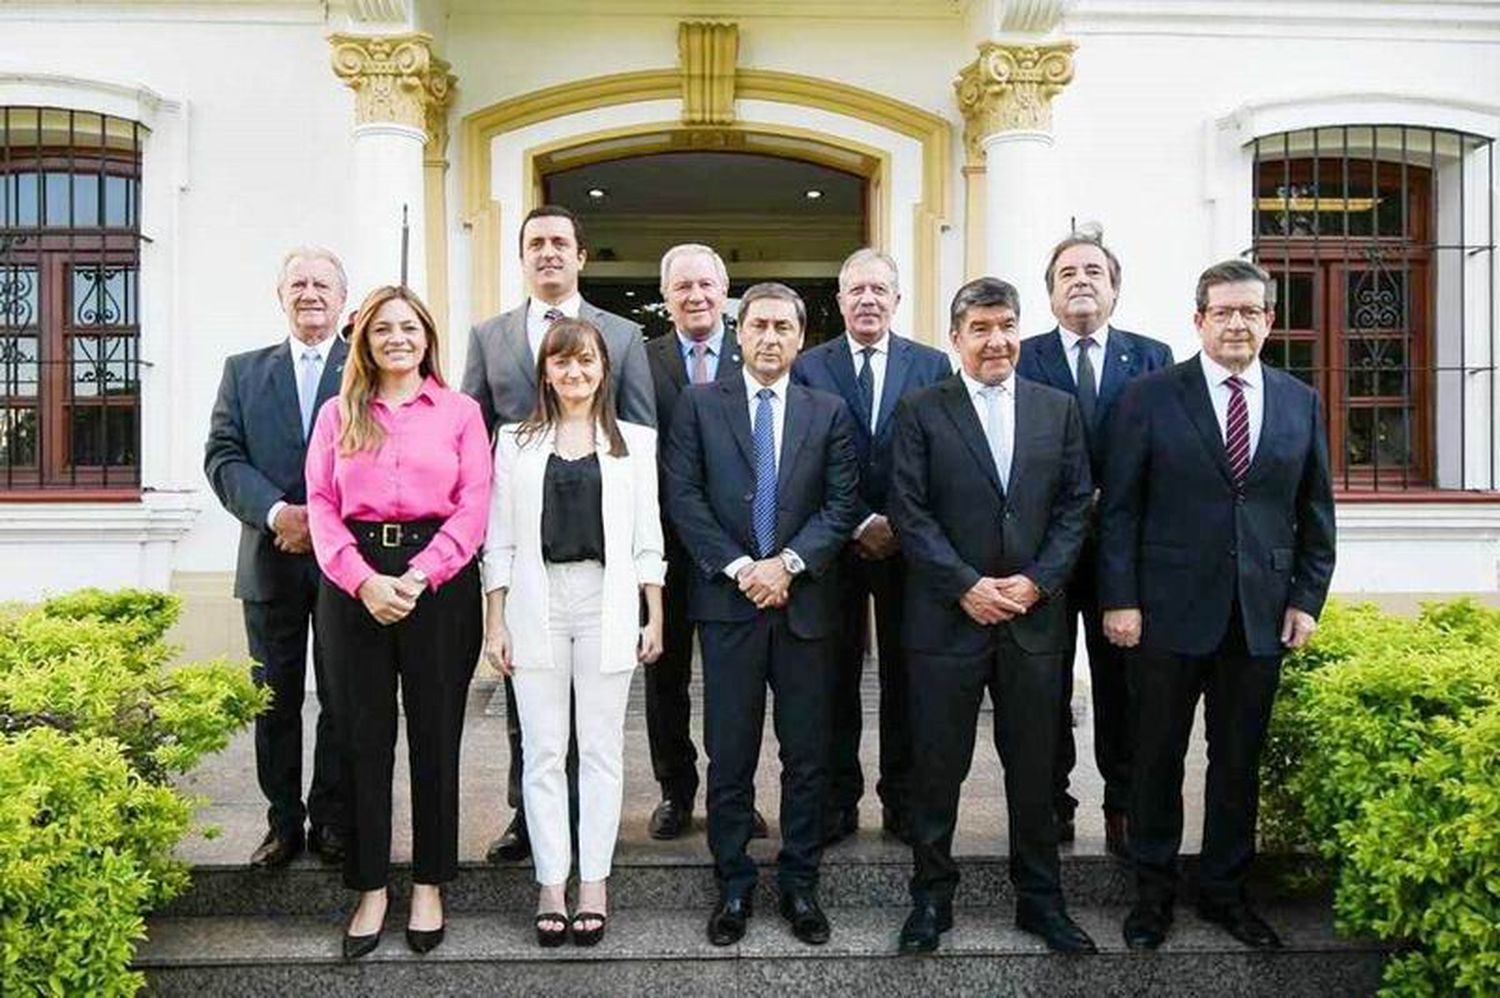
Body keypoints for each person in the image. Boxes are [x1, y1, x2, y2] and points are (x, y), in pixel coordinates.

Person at [1099, 259, 1335, 951]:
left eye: (1251, 312)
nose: (1237, 323)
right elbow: (1120, 510)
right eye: (1223, 312)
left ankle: (1227, 893)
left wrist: (1306, 599)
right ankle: (1152, 895)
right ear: (1198, 320)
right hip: (1166, 614)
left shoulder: (1299, 401)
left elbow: (1314, 512)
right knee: (1157, 758)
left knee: (1238, 759)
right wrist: (1121, 600)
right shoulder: (1149, 397)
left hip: (1259, 615)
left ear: (1269, 321)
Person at [889, 277, 1095, 955]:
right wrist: (966, 585)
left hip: (1033, 622)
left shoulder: (1056, 408)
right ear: (956, 338)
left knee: (1035, 770)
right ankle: (930, 902)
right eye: (979, 327)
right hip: (948, 621)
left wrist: (1036, 584)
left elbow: (1074, 508)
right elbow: (909, 512)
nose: (996, 339)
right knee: (937, 767)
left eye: (1006, 324)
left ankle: (1041, 901)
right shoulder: (921, 409)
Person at [664, 282, 859, 948]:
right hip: (729, 607)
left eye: (783, 326)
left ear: (801, 338)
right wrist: (745, 569)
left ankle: (800, 883)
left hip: (805, 609)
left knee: (808, 755)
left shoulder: (827, 410)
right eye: (758, 326)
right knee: (731, 753)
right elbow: (683, 497)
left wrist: (789, 565)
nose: (770, 337)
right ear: (737, 333)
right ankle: (735, 884)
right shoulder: (698, 404)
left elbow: (841, 505)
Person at [461, 203, 656, 864]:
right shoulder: (490, 337)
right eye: (535, 243)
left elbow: (637, 445)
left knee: (599, 727)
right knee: (533, 714)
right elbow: (473, 441)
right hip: (527, 555)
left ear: (580, 256)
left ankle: (593, 831)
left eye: (559, 243)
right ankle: (530, 816)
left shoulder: (623, 337)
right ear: (522, 257)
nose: (547, 252)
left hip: (599, 558)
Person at [305, 285, 491, 959]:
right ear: (366, 340)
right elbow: (321, 505)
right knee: (363, 737)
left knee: (436, 736)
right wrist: (362, 580)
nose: (397, 338)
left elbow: (474, 506)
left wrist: (419, 575)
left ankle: (431, 883)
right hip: (353, 580)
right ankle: (371, 886)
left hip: (436, 582)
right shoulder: (337, 414)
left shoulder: (460, 412)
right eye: (384, 328)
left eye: (409, 327)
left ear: (427, 337)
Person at [482, 317, 666, 948]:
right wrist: (495, 621)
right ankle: (551, 882)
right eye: (562, 363)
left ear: (602, 368)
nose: (575, 372)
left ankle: (594, 881)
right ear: (546, 372)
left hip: (606, 602)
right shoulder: (514, 442)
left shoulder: (635, 443)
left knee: (600, 749)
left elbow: (649, 536)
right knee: (543, 751)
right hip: (538, 602)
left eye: (585, 361)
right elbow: (498, 539)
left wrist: (655, 613)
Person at [1016, 233, 1173, 855]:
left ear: (1114, 287)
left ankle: (1124, 805)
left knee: (1123, 687)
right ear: (1050, 292)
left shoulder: (1152, 357)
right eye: (1066, 273)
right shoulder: (1023, 357)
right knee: (1044, 686)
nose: (1080, 281)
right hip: (1043, 554)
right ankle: (1052, 803)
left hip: (1124, 559)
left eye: (1093, 272)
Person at [791, 248, 950, 846]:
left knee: (909, 677)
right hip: (834, 547)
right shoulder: (811, 367)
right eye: (856, 290)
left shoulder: (932, 365)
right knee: (832, 678)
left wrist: (898, 524)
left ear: (897, 300)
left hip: (911, 552)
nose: (868, 300)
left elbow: (940, 458)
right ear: (839, 300)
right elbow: (804, 462)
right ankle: (838, 800)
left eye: (879, 290)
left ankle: (903, 800)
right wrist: (858, 521)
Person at [204, 246, 350, 869]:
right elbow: (223, 457)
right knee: (276, 700)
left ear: (343, 298)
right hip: (269, 561)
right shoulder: (243, 371)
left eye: (322, 284)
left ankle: (334, 819)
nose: (310, 293)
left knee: (344, 697)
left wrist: (322, 523)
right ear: (281, 294)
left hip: (346, 563)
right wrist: (277, 514)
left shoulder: (366, 368)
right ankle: (283, 822)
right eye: (299, 283)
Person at [642, 243, 770, 842]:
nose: (695, 296)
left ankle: (733, 793)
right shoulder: (640, 361)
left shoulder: (757, 356)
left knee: (733, 683)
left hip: (739, 555)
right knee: (665, 679)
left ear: (725, 292)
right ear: (665, 298)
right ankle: (676, 791)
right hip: (662, 550)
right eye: (682, 287)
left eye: (706, 285)